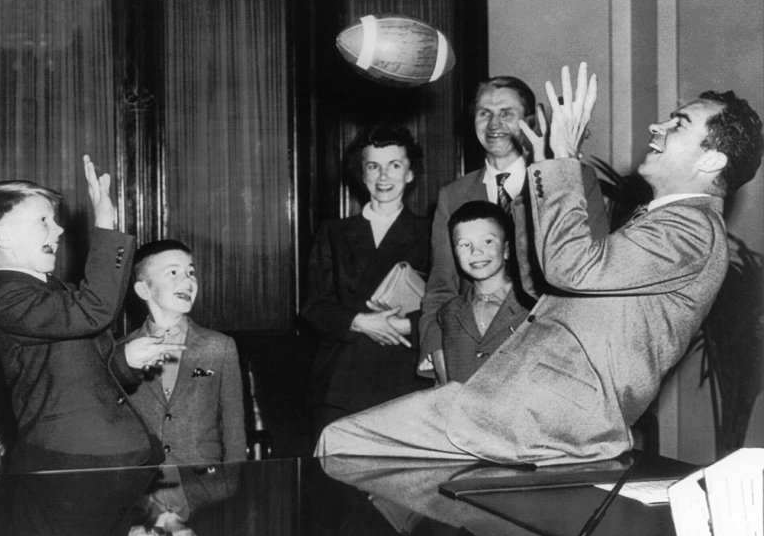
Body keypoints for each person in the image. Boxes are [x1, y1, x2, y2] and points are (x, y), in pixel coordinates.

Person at [316, 62, 763, 466]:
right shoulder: (667, 219)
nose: (657, 125)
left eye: (677, 124)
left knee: (341, 442)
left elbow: (572, 269)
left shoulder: (692, 229)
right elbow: (550, 283)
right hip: (515, 398)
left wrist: (562, 162)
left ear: (711, 159)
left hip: (545, 414)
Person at [0, 156, 184, 473]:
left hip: (108, 455)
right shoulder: (7, 299)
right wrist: (105, 225)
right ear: (4, 237)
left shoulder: (57, 291)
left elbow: (77, 378)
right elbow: (95, 308)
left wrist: (127, 359)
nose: (58, 228)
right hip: (67, 459)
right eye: (43, 220)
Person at [418, 75, 607, 381]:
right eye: (484, 113)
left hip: (551, 351)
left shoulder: (571, 179)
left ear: (529, 122)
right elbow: (441, 287)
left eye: (506, 113)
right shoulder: (452, 195)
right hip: (471, 354)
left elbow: (595, 273)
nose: (494, 124)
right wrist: (438, 357)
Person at [301, 124, 434, 439]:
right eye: (374, 166)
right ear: (362, 175)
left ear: (411, 174)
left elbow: (447, 305)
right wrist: (361, 322)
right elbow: (312, 308)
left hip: (406, 380)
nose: (384, 176)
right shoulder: (333, 232)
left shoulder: (431, 232)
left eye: (395, 165)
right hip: (340, 382)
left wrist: (405, 326)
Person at [120, 239, 247, 464]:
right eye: (173, 272)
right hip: (141, 488)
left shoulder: (219, 346)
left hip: (201, 487)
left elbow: (234, 430)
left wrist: (232, 487)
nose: (188, 280)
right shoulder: (121, 352)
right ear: (143, 289)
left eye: (190, 272)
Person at [438, 201, 531, 384]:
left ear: (506, 249)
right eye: (465, 244)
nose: (476, 251)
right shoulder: (449, 313)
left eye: (487, 241)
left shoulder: (532, 307)